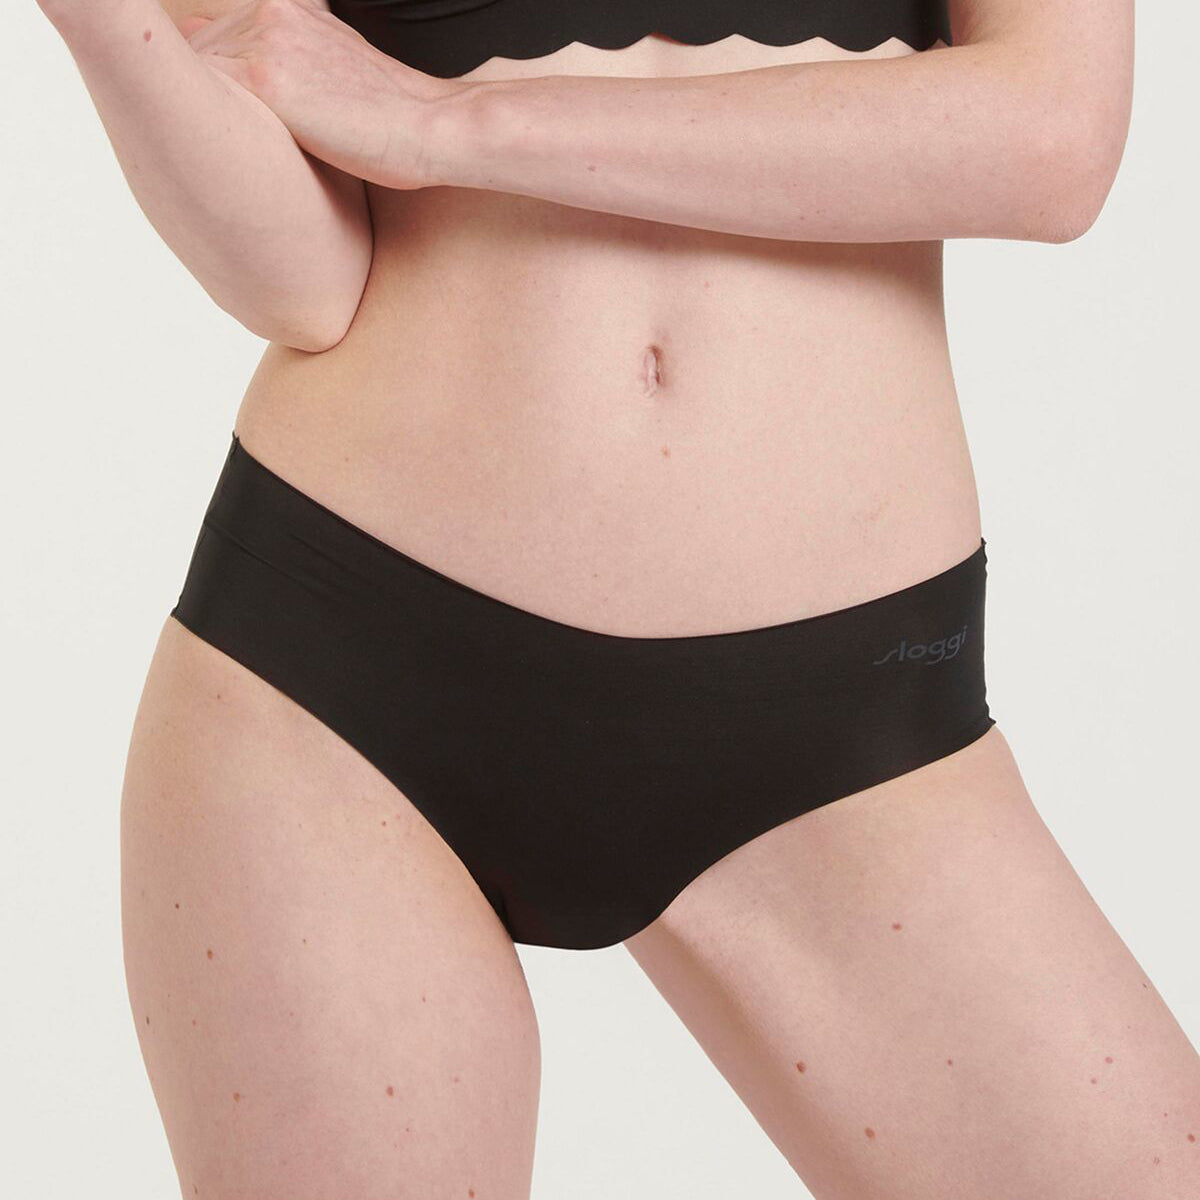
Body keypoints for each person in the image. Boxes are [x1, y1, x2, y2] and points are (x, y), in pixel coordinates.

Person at [39, 0, 1198, 1195]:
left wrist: (455, 123)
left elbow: (1052, 138)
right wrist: (107, 25)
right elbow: (306, 284)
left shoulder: (447, 121)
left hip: (845, 712)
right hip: (342, 675)